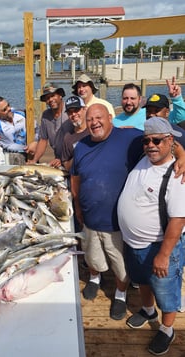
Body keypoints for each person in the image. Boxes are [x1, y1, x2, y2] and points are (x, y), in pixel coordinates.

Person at [70, 104, 185, 321]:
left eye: (99, 117)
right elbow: (75, 176)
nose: (94, 122)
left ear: (110, 118)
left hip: (116, 225)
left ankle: (121, 295)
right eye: (90, 119)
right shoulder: (82, 146)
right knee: (94, 258)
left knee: (121, 267)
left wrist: (181, 154)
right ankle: (95, 279)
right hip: (90, 219)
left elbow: (163, 137)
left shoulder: (130, 138)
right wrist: (77, 204)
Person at [117, 117, 185, 355]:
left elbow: (178, 219)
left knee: (167, 292)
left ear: (170, 141)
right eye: (146, 140)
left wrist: (164, 255)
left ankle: (167, 329)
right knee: (142, 280)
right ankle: (148, 310)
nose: (151, 145)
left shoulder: (176, 174)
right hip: (134, 243)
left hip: (160, 247)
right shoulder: (144, 159)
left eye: (157, 140)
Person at [27, 82, 73, 167]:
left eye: (53, 96)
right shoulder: (45, 115)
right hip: (58, 159)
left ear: (60, 95)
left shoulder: (71, 111)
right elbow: (43, 140)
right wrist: (34, 160)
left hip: (73, 158)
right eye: (47, 98)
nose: (50, 100)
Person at [113, 77, 185, 130]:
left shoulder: (151, 114)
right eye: (125, 98)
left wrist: (176, 98)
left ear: (140, 99)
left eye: (132, 98)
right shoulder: (114, 121)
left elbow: (180, 116)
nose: (128, 102)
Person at [61, 95, 89, 172]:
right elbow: (66, 165)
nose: (73, 114)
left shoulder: (94, 129)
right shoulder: (68, 138)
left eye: (76, 110)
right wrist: (79, 155)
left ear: (85, 109)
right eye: (70, 112)